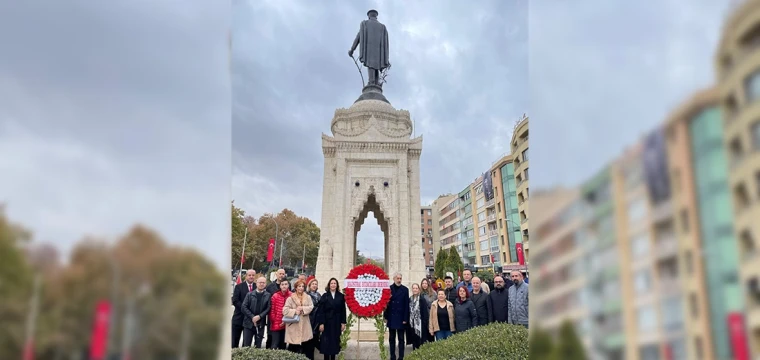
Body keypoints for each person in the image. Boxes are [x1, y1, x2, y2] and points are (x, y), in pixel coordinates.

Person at [317, 278, 346, 360]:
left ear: (337, 285)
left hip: (337, 321)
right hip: (326, 322)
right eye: (331, 283)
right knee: (326, 342)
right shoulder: (325, 296)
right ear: (329, 285)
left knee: (335, 341)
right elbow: (321, 311)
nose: (333, 285)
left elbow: (343, 310)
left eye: (334, 283)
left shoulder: (341, 296)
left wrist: (343, 323)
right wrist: (321, 323)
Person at [283, 280, 314, 354]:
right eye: (299, 286)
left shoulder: (308, 297)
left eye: (303, 286)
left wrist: (303, 308)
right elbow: (285, 310)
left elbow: (311, 307)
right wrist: (294, 311)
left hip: (305, 325)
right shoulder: (290, 298)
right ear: (296, 288)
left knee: (306, 347)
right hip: (294, 325)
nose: (301, 288)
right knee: (293, 348)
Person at [384, 273, 409, 360]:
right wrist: (385, 317)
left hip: (401, 318)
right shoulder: (389, 289)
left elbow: (406, 305)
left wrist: (405, 318)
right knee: (392, 339)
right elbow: (386, 304)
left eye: (400, 278)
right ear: (394, 278)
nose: (399, 280)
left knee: (401, 339)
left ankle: (401, 357)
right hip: (391, 317)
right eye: (397, 278)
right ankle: (392, 356)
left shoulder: (405, 290)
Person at [241, 275, 271, 348]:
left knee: (258, 345)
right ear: (256, 283)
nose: (261, 284)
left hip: (260, 323)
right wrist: (252, 317)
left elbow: (268, 308)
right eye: (260, 282)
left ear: (265, 284)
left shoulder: (268, 295)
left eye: (263, 282)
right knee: (246, 345)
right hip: (248, 323)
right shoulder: (250, 294)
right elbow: (243, 307)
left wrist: (259, 316)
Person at [266, 268, 291, 348]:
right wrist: (274, 319)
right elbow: (271, 306)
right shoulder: (270, 287)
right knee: (272, 341)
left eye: (283, 274)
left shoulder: (290, 293)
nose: (281, 275)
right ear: (276, 274)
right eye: (280, 274)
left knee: (283, 343)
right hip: (274, 320)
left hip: (286, 320)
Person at [231, 270, 256, 348]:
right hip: (239, 318)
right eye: (249, 275)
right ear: (246, 276)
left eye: (253, 275)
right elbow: (235, 301)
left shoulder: (257, 287)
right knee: (234, 341)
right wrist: (245, 309)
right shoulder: (239, 287)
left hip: (250, 320)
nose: (251, 277)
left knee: (247, 343)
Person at [303, 279, 321, 360]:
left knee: (313, 342)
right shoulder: (306, 295)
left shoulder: (319, 295)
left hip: (317, 322)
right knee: (308, 344)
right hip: (308, 320)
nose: (314, 285)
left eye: (315, 284)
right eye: (313, 284)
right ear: (309, 286)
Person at [407, 283, 429, 350]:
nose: (415, 290)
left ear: (419, 289)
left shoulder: (422, 299)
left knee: (421, 342)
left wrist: (424, 323)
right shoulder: (410, 299)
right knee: (414, 342)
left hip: (420, 324)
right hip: (412, 324)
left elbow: (425, 313)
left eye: (416, 288)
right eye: (414, 288)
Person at [419, 278, 436, 344]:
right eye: (423, 283)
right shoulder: (420, 293)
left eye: (426, 283)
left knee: (430, 335)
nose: (424, 285)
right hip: (422, 317)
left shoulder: (433, 293)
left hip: (430, 316)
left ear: (428, 284)